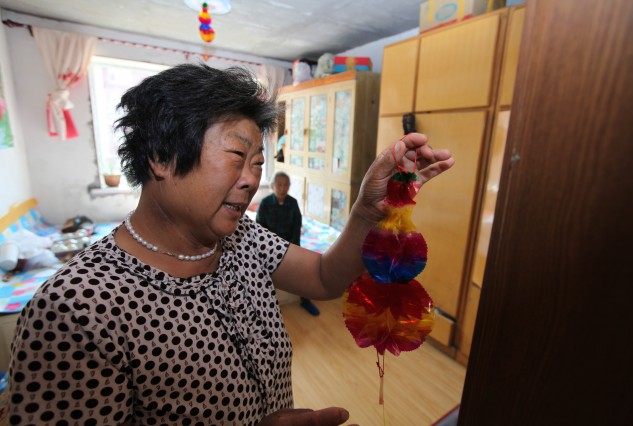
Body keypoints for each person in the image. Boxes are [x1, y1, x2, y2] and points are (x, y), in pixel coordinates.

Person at [7, 63, 454, 426]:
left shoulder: (243, 238)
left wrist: (367, 211)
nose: (251, 180)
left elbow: (323, 277)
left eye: (258, 163)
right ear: (160, 157)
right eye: (238, 156)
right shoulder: (75, 309)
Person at [256, 171, 320, 316]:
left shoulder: (293, 203)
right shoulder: (265, 203)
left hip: (290, 246)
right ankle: (265, 306)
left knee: (305, 268)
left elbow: (297, 227)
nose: (282, 188)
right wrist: (270, 250)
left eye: (286, 185)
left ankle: (305, 301)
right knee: (260, 270)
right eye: (279, 185)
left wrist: (292, 250)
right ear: (272, 186)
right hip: (270, 247)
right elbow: (259, 230)